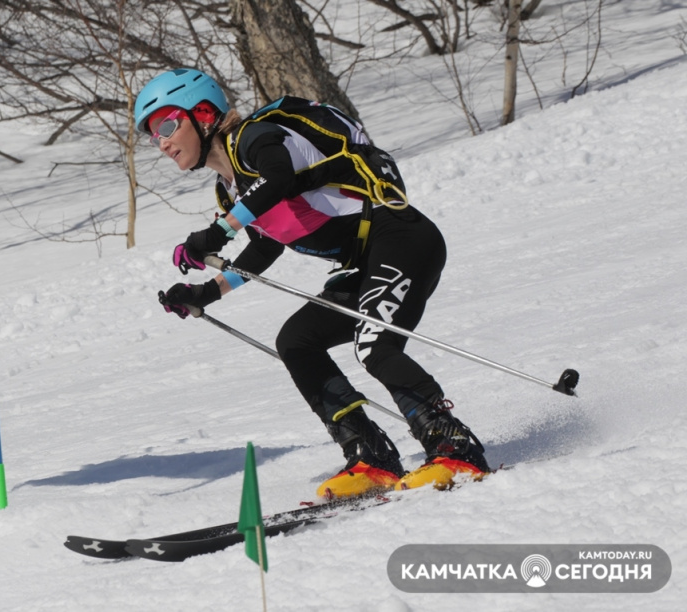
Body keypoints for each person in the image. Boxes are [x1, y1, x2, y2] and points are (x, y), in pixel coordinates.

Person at [135, 68, 489, 498]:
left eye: (167, 125)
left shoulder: (255, 138)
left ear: (204, 113)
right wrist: (205, 293)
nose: (163, 142)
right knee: (297, 340)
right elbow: (265, 248)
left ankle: (454, 446)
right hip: (362, 263)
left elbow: (279, 179)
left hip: (400, 237)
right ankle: (369, 454)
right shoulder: (230, 189)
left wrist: (220, 231)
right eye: (154, 135)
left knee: (373, 345)